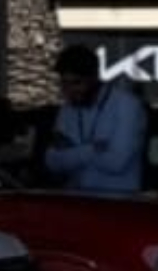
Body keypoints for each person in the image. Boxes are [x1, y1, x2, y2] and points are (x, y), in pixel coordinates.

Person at [43, 45, 148, 193]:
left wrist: (72, 152)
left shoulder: (127, 106)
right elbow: (52, 161)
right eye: (64, 83)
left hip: (116, 202)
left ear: (94, 78)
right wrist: (91, 149)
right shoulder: (67, 109)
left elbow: (117, 164)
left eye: (76, 82)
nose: (69, 91)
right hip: (75, 199)